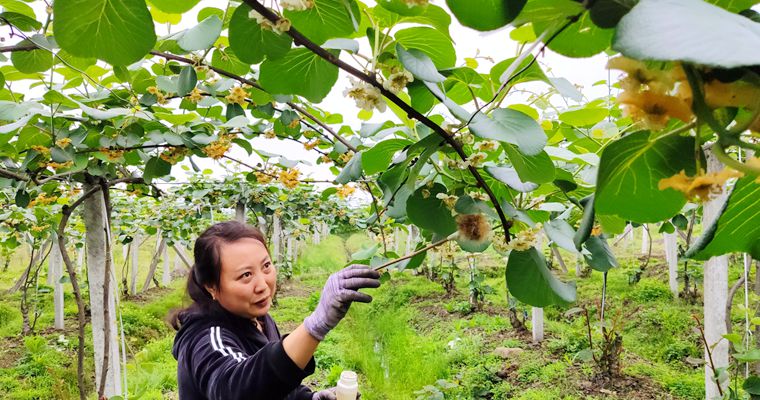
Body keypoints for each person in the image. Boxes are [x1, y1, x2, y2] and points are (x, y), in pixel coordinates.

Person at [170, 221, 381, 399]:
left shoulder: (258, 318)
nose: (263, 284)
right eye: (245, 275)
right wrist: (315, 326)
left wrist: (308, 398)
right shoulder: (206, 338)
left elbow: (271, 383)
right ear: (212, 287)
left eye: (266, 266)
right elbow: (236, 388)